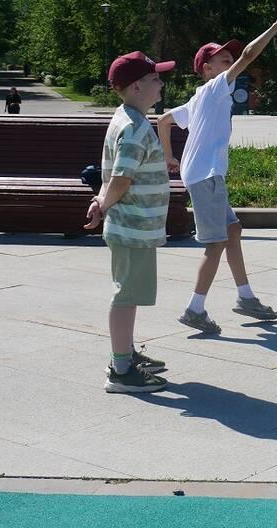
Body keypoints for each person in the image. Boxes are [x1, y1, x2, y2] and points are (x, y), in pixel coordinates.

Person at [158, 0, 277, 335]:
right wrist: (276, 27)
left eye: (229, 56)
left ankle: (245, 297)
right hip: (206, 177)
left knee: (232, 231)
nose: (230, 59)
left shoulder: (198, 97)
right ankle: (194, 308)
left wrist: (169, 156)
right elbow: (248, 55)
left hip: (204, 175)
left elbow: (163, 120)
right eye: (221, 57)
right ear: (206, 68)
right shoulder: (216, 88)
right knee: (215, 243)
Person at [84, 51, 176, 393]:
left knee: (130, 294)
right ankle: (121, 369)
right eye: (155, 79)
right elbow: (121, 178)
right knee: (126, 296)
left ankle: (126, 353)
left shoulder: (124, 118)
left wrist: (99, 200)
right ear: (137, 86)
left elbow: (112, 174)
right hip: (133, 226)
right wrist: (105, 203)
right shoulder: (135, 127)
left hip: (132, 225)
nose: (161, 84)